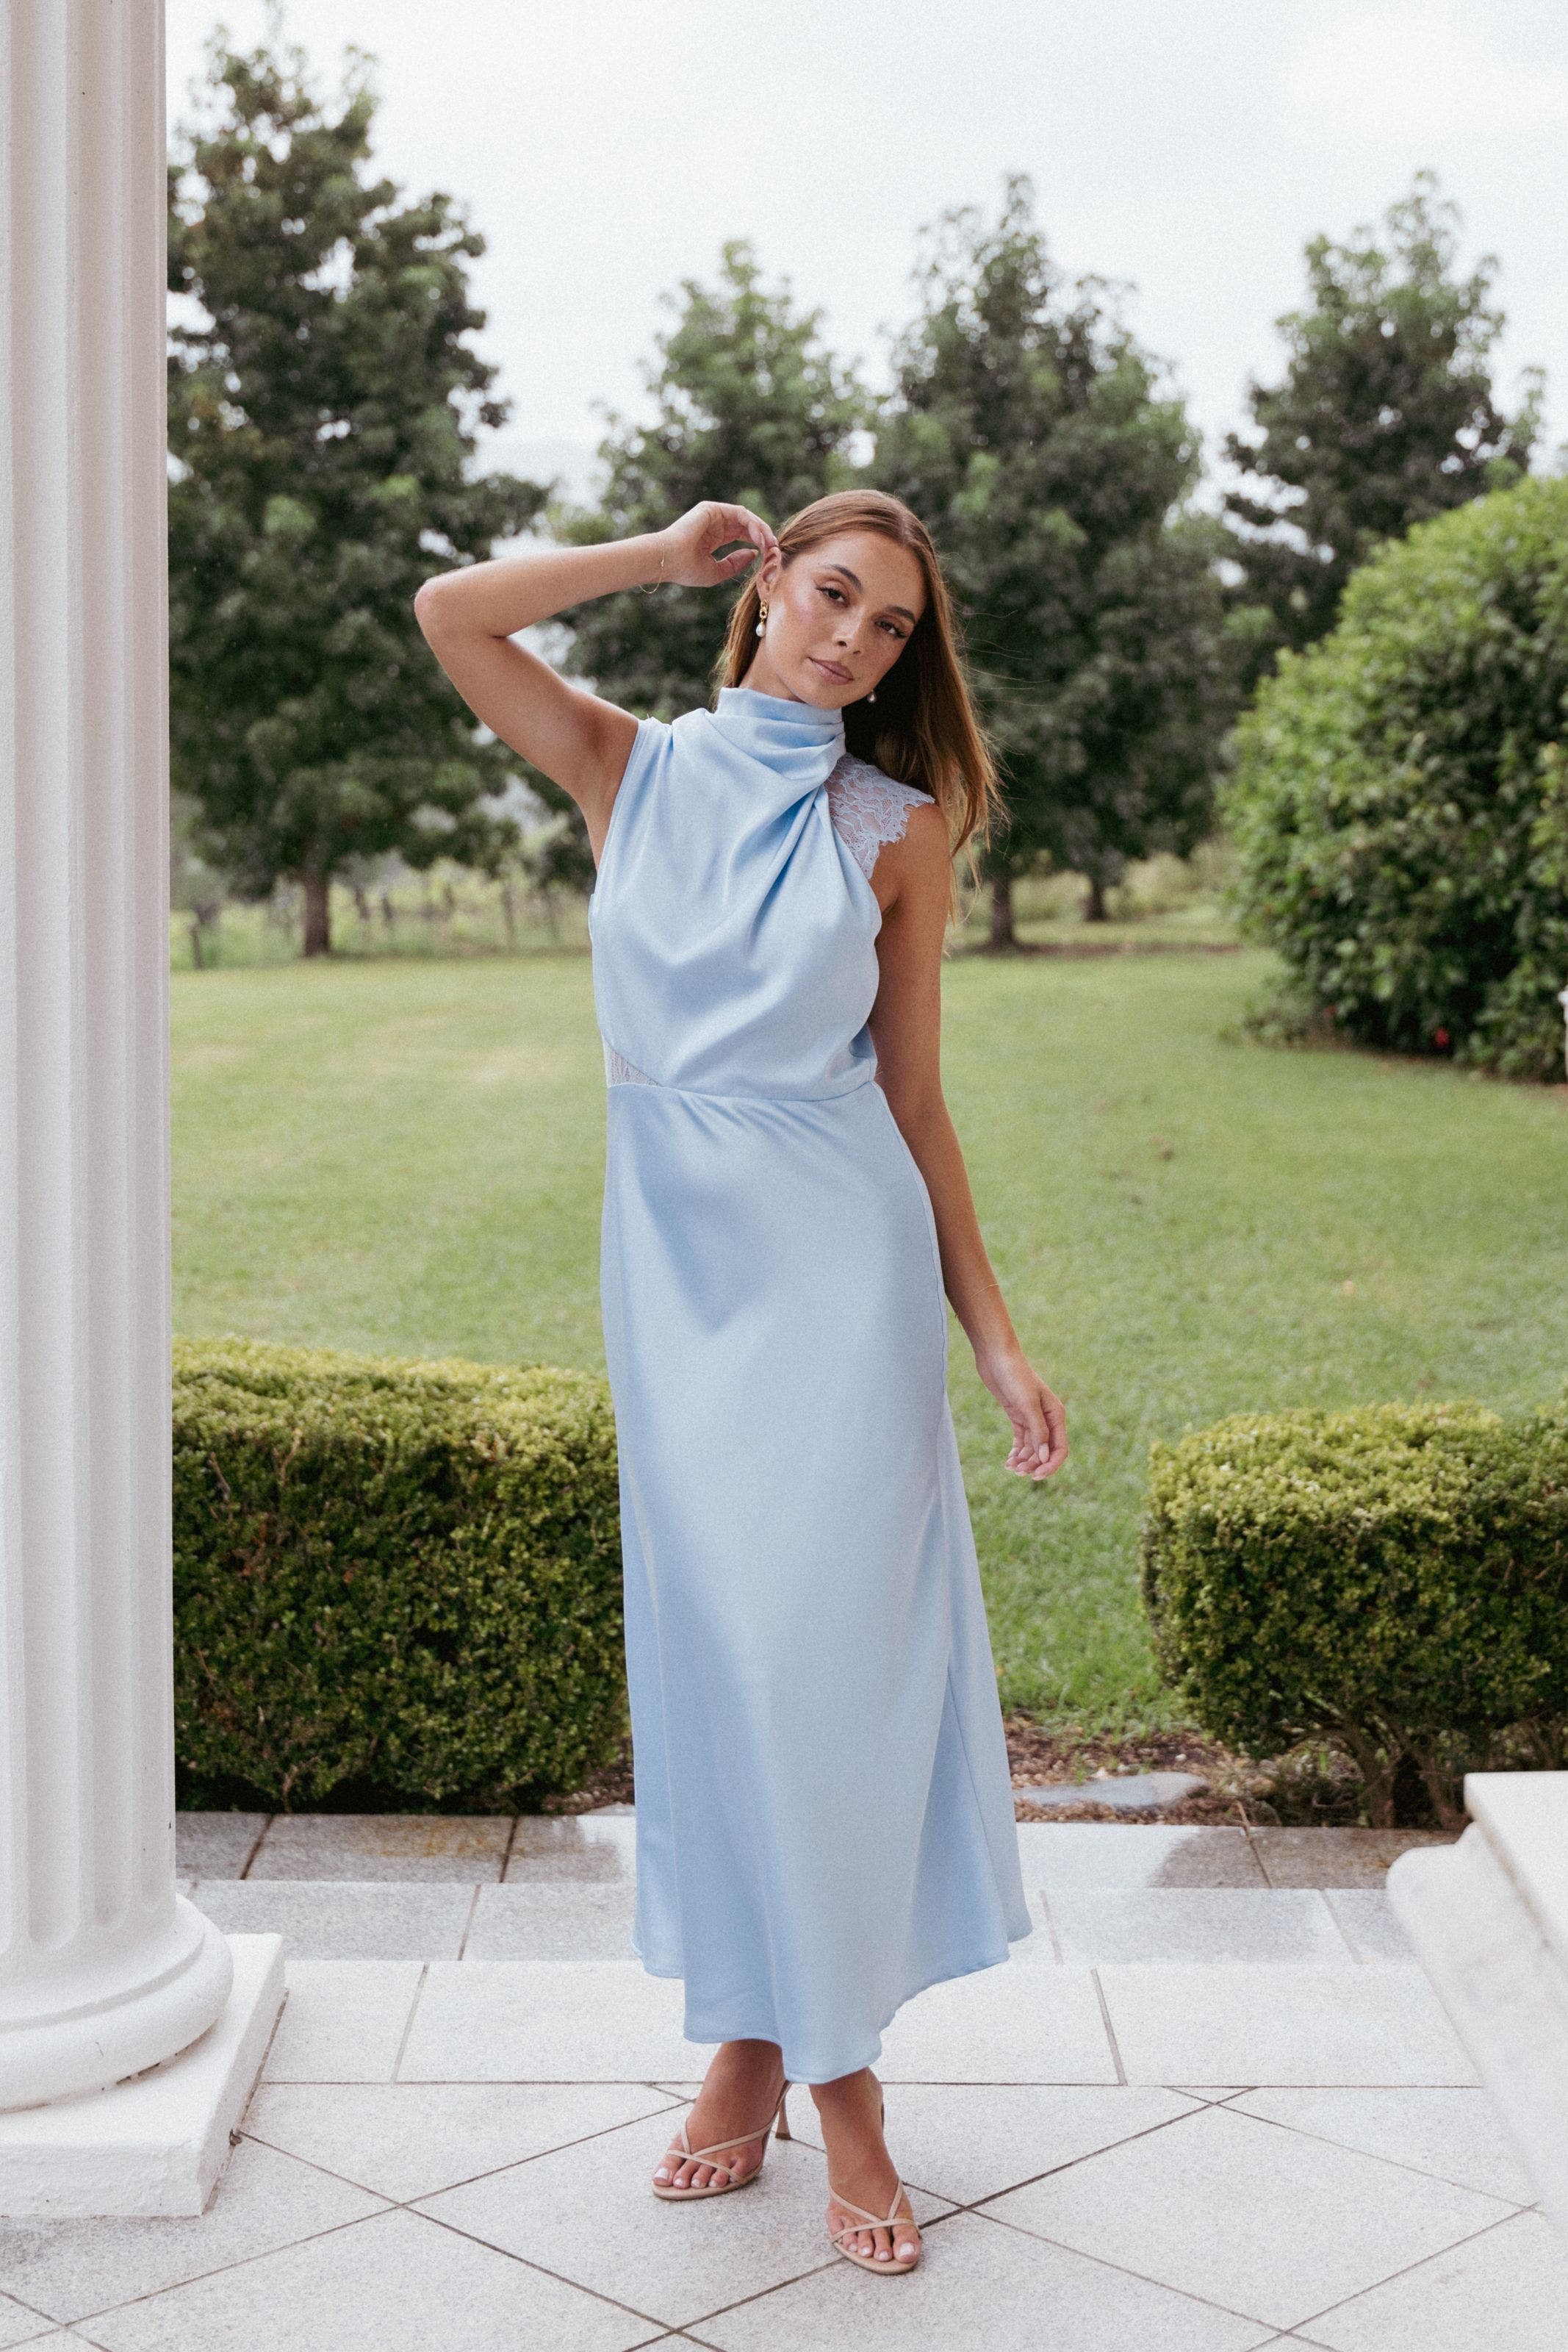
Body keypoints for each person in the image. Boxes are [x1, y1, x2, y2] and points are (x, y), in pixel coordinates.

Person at [415, 490, 1068, 2276]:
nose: (852, 644)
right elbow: (452, 612)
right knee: (724, 1663)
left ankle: (830, 2069)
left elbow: (914, 1104)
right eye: (833, 597)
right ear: (769, 580)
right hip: (677, 1288)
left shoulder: (898, 829)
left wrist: (989, 1337)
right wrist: (651, 556)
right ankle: (753, 2034)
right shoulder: (629, 769)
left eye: (888, 632)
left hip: (837, 1288)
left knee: (820, 1668)